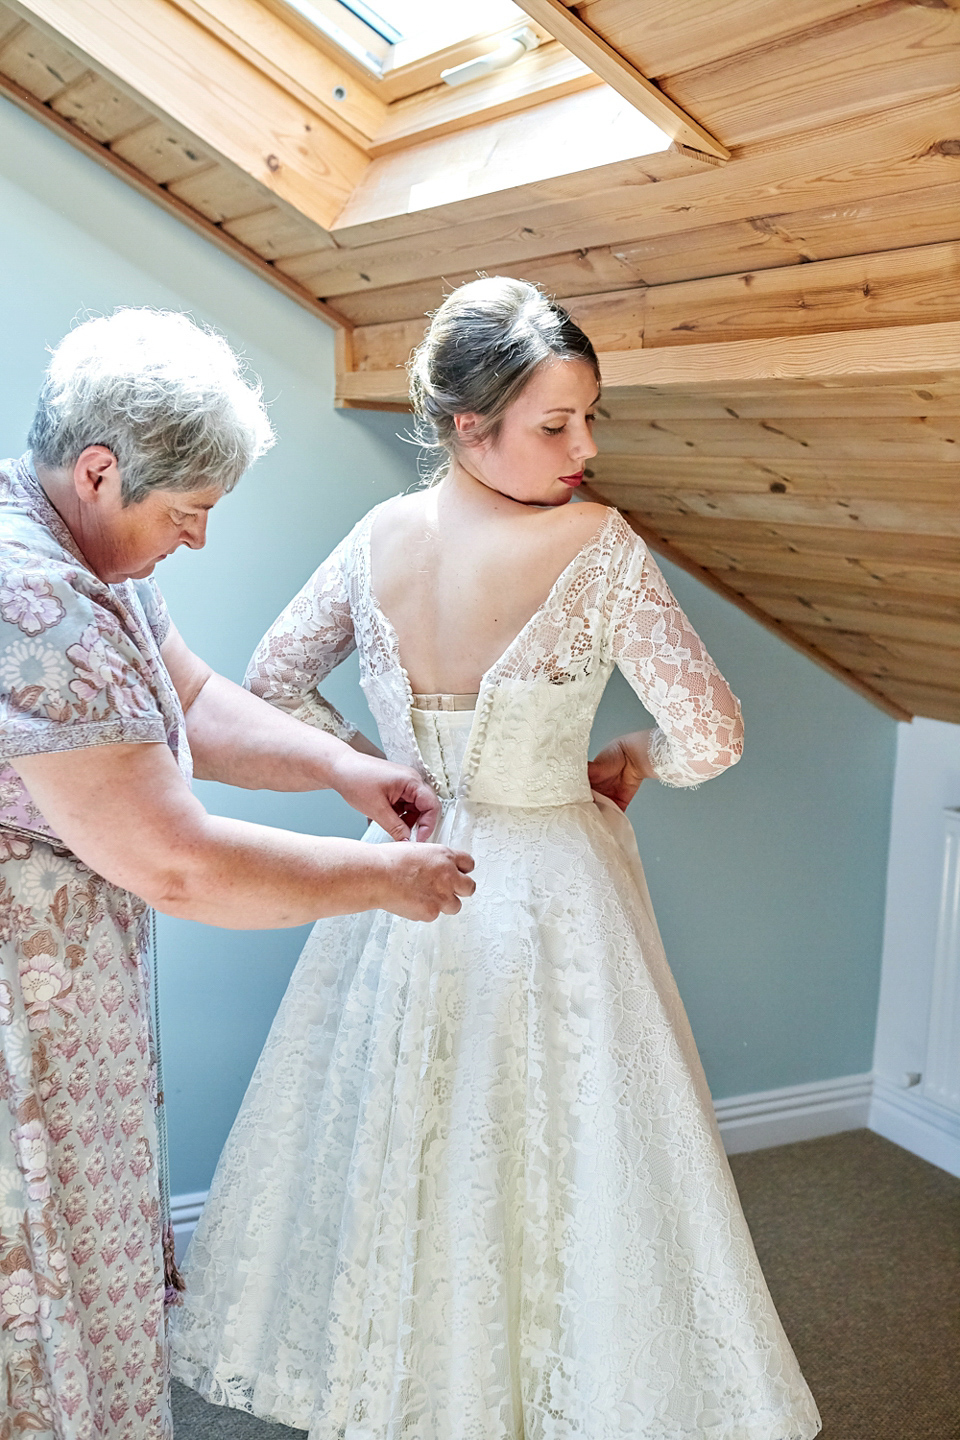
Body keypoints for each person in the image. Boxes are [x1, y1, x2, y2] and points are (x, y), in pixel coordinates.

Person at [171, 278, 821, 1439]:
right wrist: (633, 754)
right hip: (548, 881)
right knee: (559, 1146)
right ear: (468, 426)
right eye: (555, 425)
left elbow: (268, 686)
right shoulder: (596, 545)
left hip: (404, 872)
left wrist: (378, 774)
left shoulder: (380, 537)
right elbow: (714, 735)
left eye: (590, 417)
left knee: (406, 1121)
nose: (585, 449)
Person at [0, 308, 475, 1440]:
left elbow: (194, 700)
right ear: (101, 470)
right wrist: (380, 884)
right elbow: (178, 861)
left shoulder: (79, 546)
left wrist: (345, 767)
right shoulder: (40, 601)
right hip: (22, 1001)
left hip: (67, 976)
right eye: (187, 516)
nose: (199, 542)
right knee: (42, 1246)